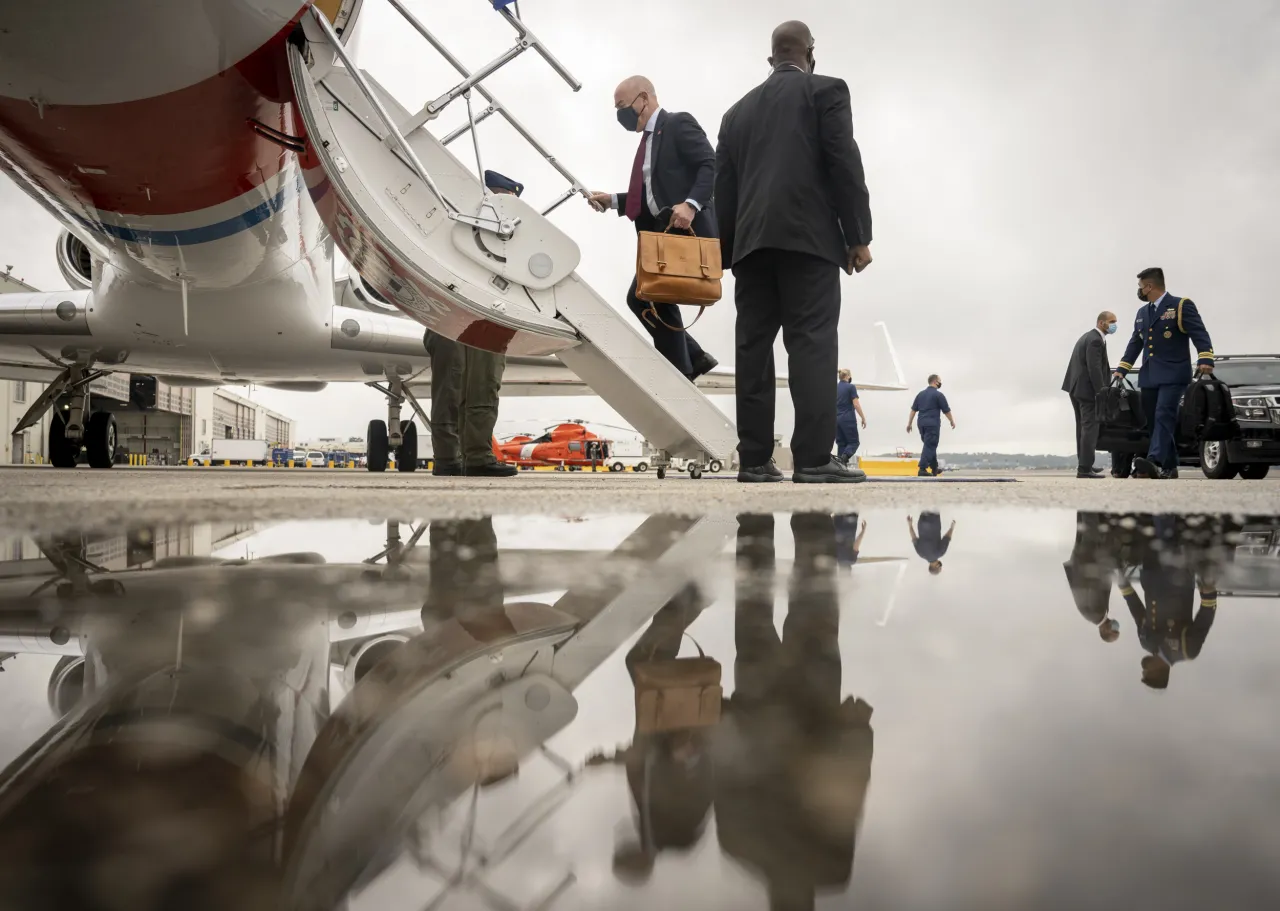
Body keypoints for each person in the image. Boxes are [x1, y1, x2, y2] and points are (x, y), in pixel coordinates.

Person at [715, 21, 873, 484]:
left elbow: (725, 192)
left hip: (751, 247)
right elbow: (843, 161)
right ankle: (811, 459)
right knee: (812, 344)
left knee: (752, 350)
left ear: (771, 59)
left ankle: (755, 460)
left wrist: (727, 254)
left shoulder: (735, 115)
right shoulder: (826, 91)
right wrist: (857, 235)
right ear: (811, 54)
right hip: (810, 240)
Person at [585, 76, 719, 381]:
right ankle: (692, 359)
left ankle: (682, 369)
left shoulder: (677, 124)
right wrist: (614, 201)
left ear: (643, 99)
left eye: (622, 106)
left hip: (682, 227)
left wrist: (691, 204)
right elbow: (650, 197)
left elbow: (710, 164)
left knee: (648, 296)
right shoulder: (648, 141)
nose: (620, 114)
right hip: (663, 230)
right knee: (645, 296)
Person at [425, 170, 523, 478]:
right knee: (465, 386)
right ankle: (464, 457)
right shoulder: (475, 229)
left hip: (464, 317)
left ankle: (461, 457)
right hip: (467, 315)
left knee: (465, 387)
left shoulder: (465, 226)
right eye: (508, 199)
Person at [1113, 267, 1215, 480]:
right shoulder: (1142, 313)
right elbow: (1136, 342)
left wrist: (1206, 357)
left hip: (1174, 372)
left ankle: (1154, 461)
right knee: (1152, 419)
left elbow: (1199, 332)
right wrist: (1122, 369)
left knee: (1164, 415)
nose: (1139, 291)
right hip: (1150, 375)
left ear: (1149, 286)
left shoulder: (1180, 305)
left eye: (1141, 287)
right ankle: (1169, 466)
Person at [1062, 311, 1116, 479]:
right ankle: (1085, 468)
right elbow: (1094, 369)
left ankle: (1085, 463)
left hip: (1076, 388)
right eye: (1112, 321)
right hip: (1087, 391)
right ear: (1101, 323)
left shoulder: (1088, 337)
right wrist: (1101, 392)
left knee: (1083, 427)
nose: (1114, 325)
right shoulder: (1095, 340)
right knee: (1090, 428)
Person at [906, 375, 953, 477]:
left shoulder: (920, 394)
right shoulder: (939, 395)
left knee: (929, 445)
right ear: (935, 382)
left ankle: (934, 468)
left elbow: (913, 410)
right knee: (930, 445)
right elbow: (946, 410)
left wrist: (909, 424)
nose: (940, 383)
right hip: (932, 424)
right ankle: (922, 469)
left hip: (921, 424)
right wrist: (952, 421)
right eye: (940, 381)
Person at [835, 369, 866, 465]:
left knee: (841, 444)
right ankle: (843, 459)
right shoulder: (851, 387)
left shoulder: (834, 387)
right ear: (848, 376)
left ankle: (840, 467)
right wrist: (863, 417)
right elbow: (856, 404)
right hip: (848, 418)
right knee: (854, 442)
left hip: (836, 419)